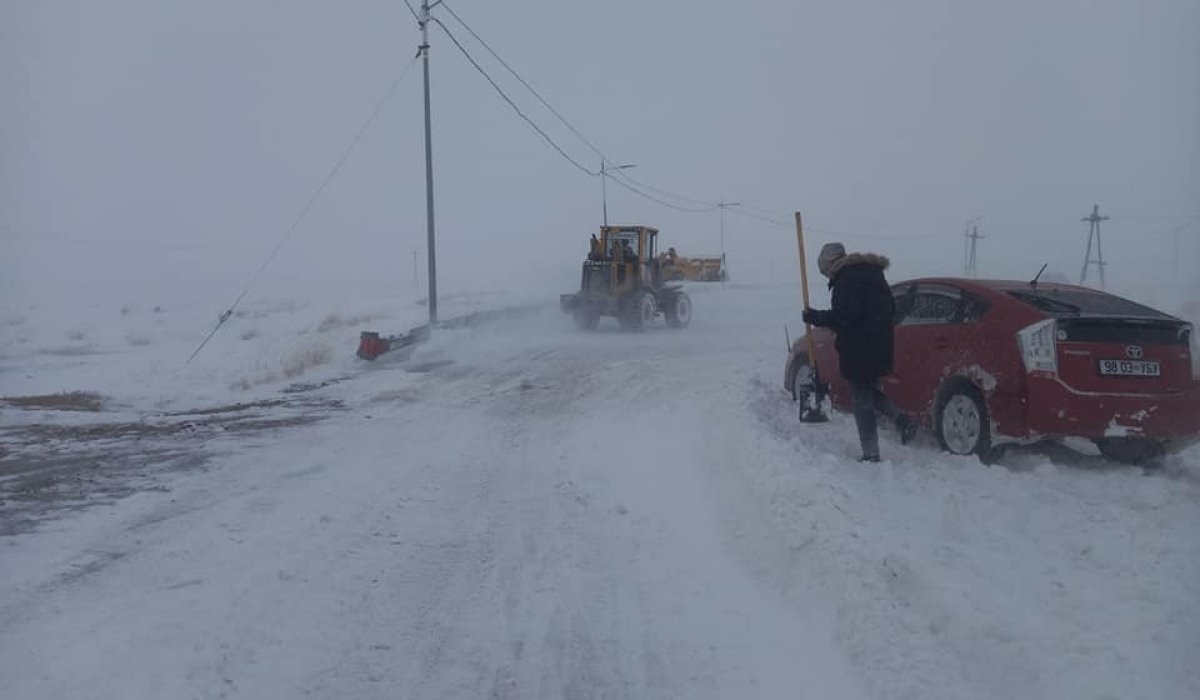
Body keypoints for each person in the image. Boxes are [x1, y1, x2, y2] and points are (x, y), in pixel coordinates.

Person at [803, 242, 915, 462]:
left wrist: (816, 317)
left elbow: (845, 316)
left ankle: (872, 452)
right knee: (867, 392)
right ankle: (901, 419)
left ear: (830, 264)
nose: (828, 278)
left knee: (861, 399)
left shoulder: (846, 280)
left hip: (858, 347)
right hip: (881, 344)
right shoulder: (873, 274)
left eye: (826, 273)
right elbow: (890, 308)